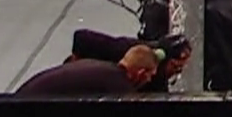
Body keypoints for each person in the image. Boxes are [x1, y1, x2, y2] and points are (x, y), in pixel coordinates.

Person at [14, 45, 160, 96]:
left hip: (22, 97)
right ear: (141, 73)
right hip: (26, 108)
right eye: (150, 76)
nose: (149, 81)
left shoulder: (105, 70)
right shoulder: (118, 85)